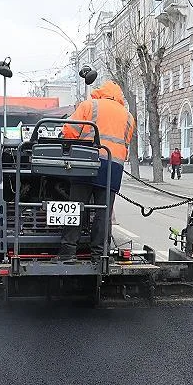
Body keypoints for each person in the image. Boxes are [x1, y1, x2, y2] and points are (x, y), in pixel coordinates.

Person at [54, 80, 136, 262]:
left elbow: (69, 131)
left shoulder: (90, 105)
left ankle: (68, 253)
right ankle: (100, 254)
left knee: (75, 207)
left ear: (100, 92)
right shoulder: (128, 116)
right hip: (113, 168)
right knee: (103, 212)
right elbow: (126, 143)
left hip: (87, 162)